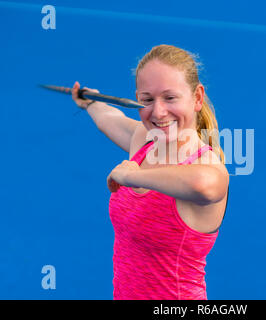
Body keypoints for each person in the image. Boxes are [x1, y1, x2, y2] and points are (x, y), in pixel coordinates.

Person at [71, 44, 229, 300]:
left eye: (170, 98)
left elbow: (205, 184)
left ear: (197, 98)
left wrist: (132, 176)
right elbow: (111, 119)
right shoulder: (144, 140)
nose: (158, 112)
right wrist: (90, 102)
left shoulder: (206, 166)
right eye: (147, 99)